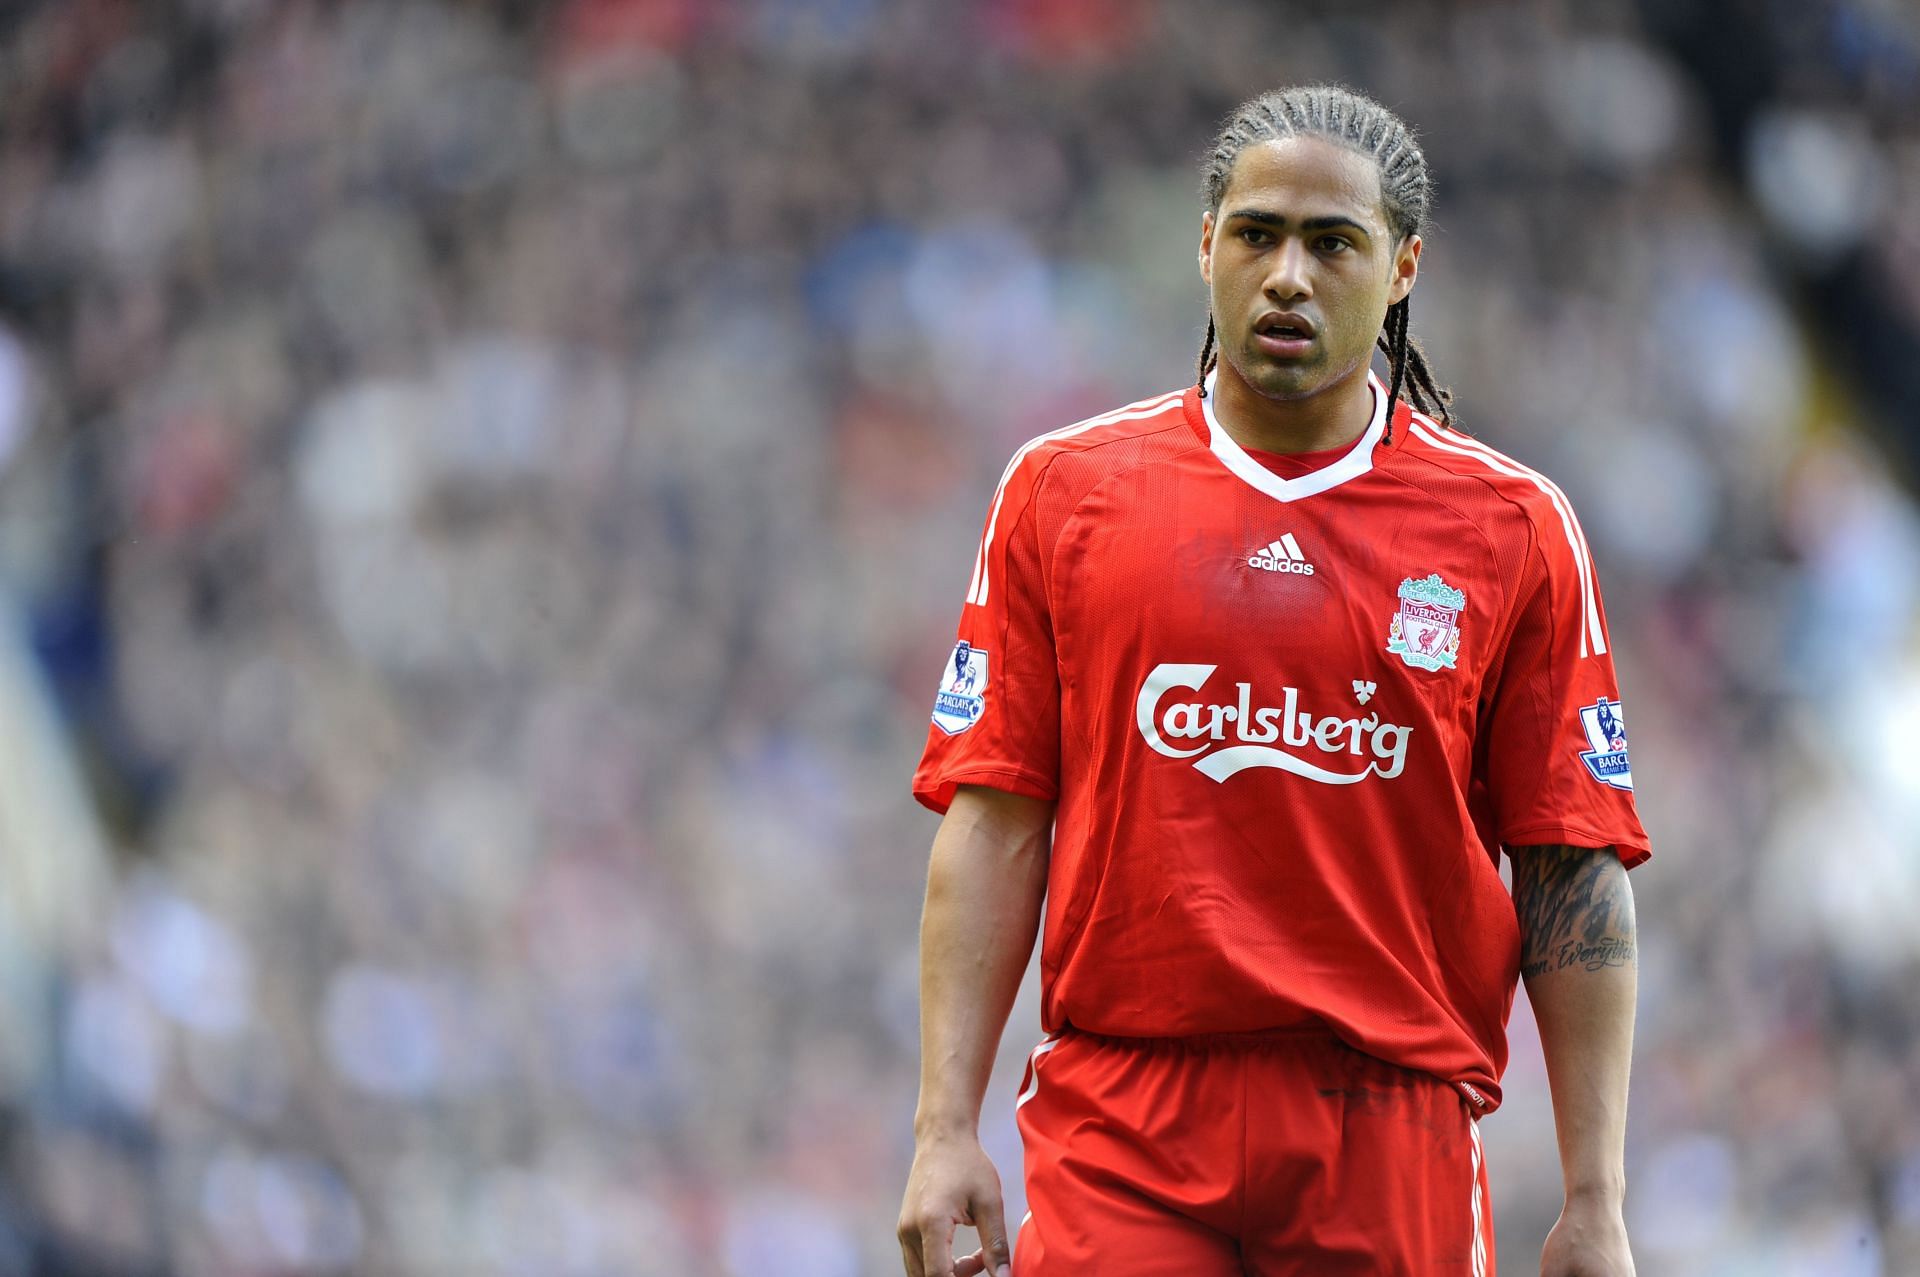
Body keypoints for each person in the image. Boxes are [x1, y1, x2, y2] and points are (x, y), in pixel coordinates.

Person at [897, 84, 1647, 1277]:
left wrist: (1597, 1198)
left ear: (1403, 266)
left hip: (1386, 1118)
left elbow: (1572, 870)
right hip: (1125, 1112)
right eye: (1257, 234)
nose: (1288, 275)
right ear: (1205, 247)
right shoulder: (1063, 491)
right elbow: (994, 826)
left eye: (1332, 242)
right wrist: (943, 1130)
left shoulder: (1511, 526)